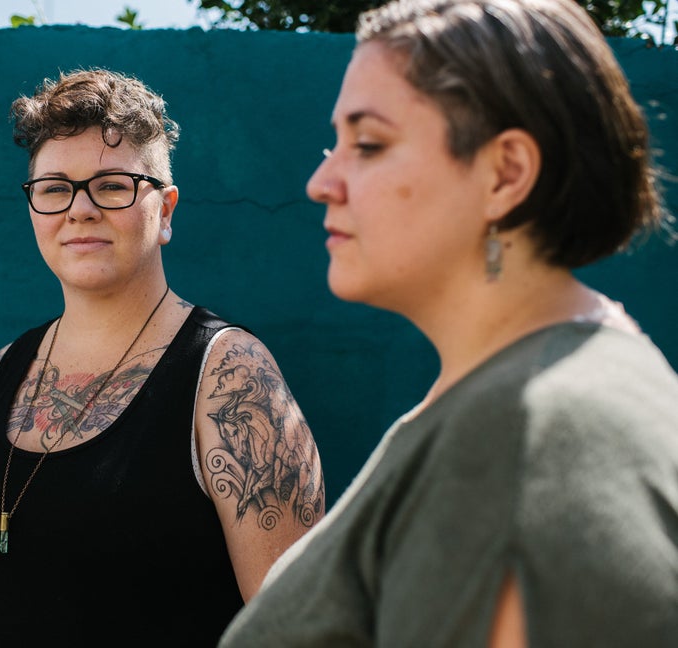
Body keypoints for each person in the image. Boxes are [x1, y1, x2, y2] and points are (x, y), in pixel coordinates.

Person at [220, 0, 678, 646]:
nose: (322, 180)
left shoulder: (533, 430)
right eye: (335, 143)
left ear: (505, 174)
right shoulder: (505, 400)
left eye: (369, 143)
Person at [0, 68, 325, 647]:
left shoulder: (228, 374)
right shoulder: (0, 372)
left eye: (112, 185)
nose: (80, 209)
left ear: (164, 211)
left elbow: (305, 631)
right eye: (54, 187)